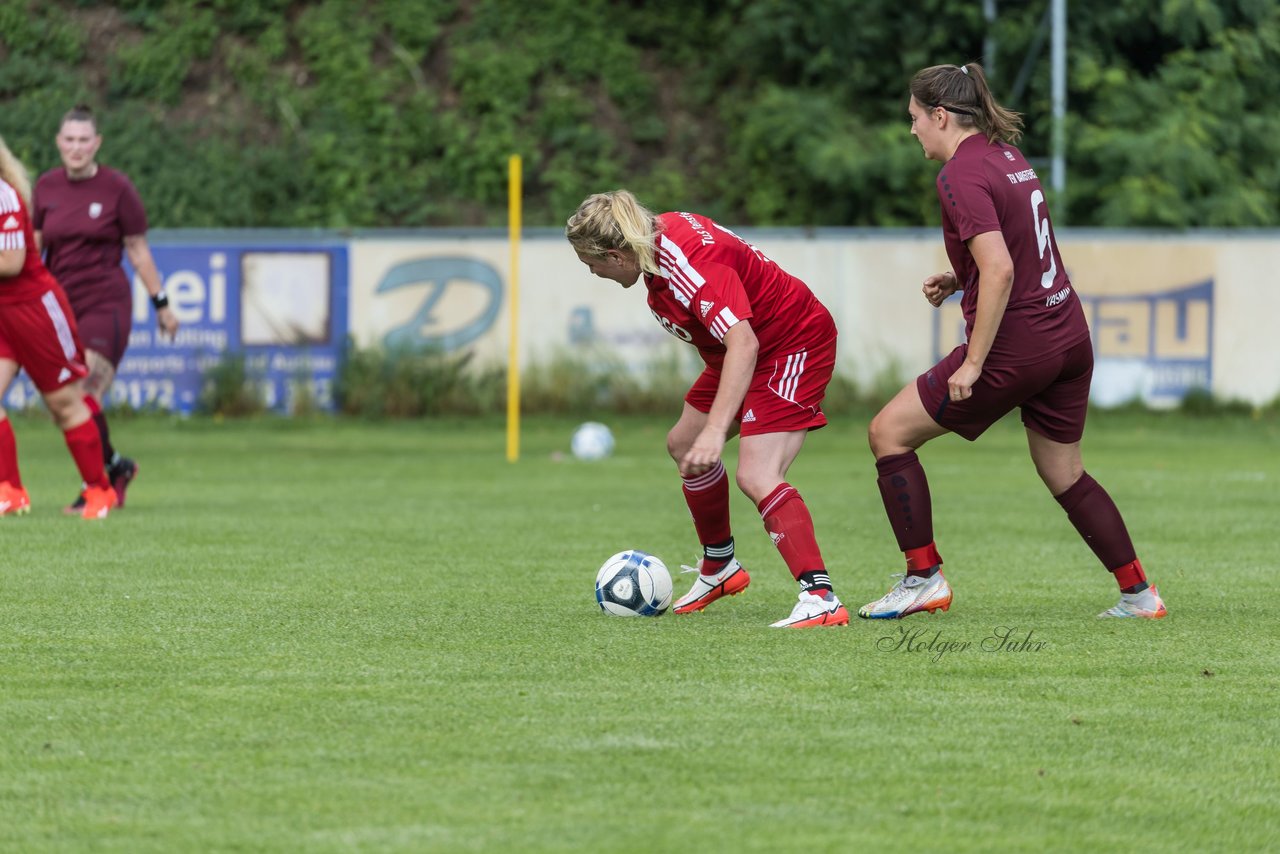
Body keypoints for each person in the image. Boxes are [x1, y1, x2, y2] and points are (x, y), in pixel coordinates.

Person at [857, 62, 1167, 620]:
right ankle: (1139, 594)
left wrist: (974, 363)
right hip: (1068, 334)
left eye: (915, 118)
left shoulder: (958, 175)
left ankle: (923, 577)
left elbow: (1000, 269)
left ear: (941, 116)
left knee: (888, 433)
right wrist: (960, 277)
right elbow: (1018, 248)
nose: (912, 131)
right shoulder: (1007, 156)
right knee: (1065, 472)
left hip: (1018, 344)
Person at [567, 190, 847, 628]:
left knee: (756, 473)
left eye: (592, 264)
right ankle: (720, 569)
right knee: (683, 446)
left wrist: (717, 430)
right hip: (743, 353)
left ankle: (820, 597)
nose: (592, 272)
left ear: (616, 255)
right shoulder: (657, 244)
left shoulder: (687, 264)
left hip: (792, 344)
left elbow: (744, 341)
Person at [32, 105, 179, 511]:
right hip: (60, 309)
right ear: (58, 143)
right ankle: (115, 466)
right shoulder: (45, 188)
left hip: (106, 303)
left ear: (97, 143)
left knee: (84, 391)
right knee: (64, 402)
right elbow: (32, 250)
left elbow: (138, 250)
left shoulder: (117, 189)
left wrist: (161, 304)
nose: (76, 147)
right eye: (69, 139)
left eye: (84, 140)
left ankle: (94, 487)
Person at [0, 135, 117, 519]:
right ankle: (9, 490)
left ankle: (100, 489)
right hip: (3, 315)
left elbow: (12, 262)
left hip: (35, 311)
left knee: (63, 404)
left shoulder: (2, 194)